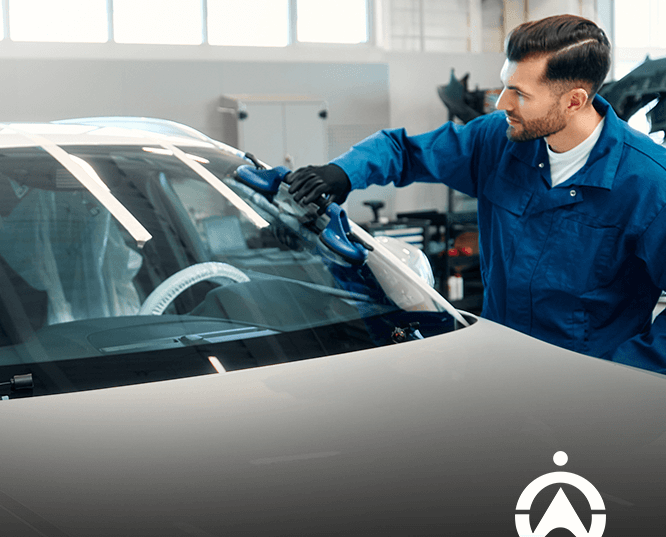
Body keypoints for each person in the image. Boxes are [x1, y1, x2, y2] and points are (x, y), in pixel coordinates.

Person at [279, 14, 666, 374]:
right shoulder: (497, 141)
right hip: (497, 368)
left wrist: (620, 373)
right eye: (505, 85)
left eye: (520, 94)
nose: (502, 104)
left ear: (574, 100)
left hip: (588, 394)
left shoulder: (650, 184)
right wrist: (343, 173)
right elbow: (403, 152)